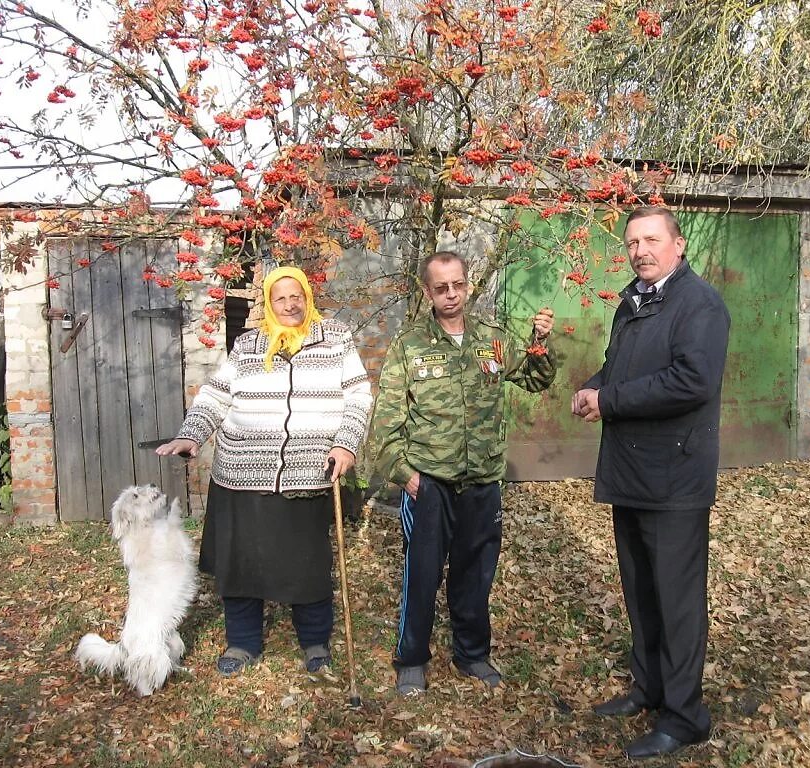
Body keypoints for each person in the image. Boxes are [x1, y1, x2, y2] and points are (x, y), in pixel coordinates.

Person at [156, 266, 372, 676]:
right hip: (241, 474)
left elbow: (358, 395)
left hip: (307, 472)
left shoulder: (335, 338)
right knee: (241, 566)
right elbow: (216, 397)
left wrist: (345, 443)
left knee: (307, 567)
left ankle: (314, 642)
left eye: (297, 296)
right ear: (268, 304)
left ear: (307, 297)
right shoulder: (248, 346)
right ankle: (242, 643)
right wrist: (191, 435)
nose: (290, 304)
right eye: (280, 298)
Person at [572, 207, 730, 759]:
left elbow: (692, 381)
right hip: (632, 472)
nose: (641, 250)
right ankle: (650, 688)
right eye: (633, 241)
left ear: (678, 245)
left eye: (652, 240)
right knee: (642, 592)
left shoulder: (699, 303)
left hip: (674, 478)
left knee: (677, 600)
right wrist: (594, 386)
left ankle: (685, 716)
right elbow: (620, 367)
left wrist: (608, 399)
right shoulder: (634, 301)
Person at [371, 251, 556, 696]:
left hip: (482, 482)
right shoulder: (410, 345)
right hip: (429, 484)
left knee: (476, 574)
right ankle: (412, 659)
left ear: (468, 285)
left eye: (457, 285)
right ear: (427, 292)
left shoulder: (493, 340)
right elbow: (386, 422)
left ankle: (472, 654)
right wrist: (407, 476)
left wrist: (540, 342)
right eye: (440, 288)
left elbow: (534, 379)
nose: (450, 295)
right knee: (423, 575)